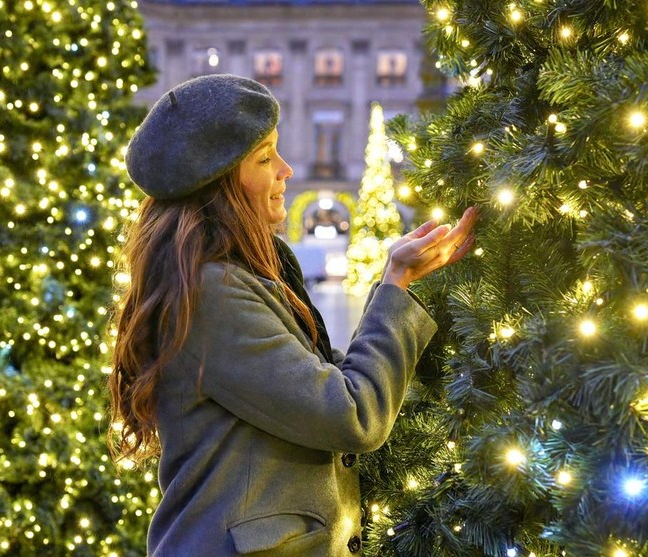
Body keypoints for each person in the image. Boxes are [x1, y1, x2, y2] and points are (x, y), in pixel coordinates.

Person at [109, 74, 477, 556]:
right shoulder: (210, 293)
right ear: (218, 184)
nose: (285, 169)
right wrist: (395, 286)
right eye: (264, 158)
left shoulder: (234, 277)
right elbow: (350, 415)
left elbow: (315, 379)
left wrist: (399, 288)